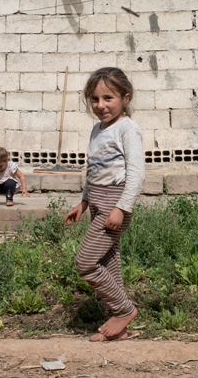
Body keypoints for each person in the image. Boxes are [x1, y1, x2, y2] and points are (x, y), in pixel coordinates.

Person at [65, 67, 145, 342]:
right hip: (98, 202)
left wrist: (121, 208)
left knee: (85, 263)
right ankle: (119, 328)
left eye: (108, 98)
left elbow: (136, 173)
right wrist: (84, 202)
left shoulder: (127, 128)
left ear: (125, 97)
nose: (100, 106)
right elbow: (94, 169)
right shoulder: (97, 130)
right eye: (95, 99)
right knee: (109, 263)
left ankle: (124, 310)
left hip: (114, 203)